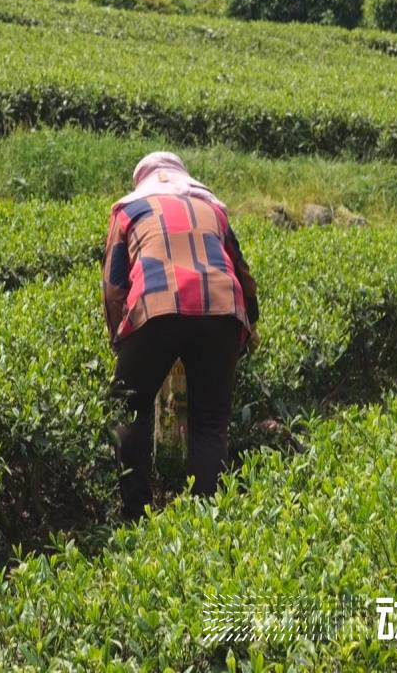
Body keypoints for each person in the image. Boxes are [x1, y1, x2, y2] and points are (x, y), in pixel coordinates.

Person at [102, 152, 260, 521]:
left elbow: (113, 287)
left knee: (129, 407)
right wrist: (249, 325)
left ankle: (135, 514)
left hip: (157, 305)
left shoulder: (127, 211)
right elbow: (242, 271)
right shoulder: (212, 209)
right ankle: (208, 520)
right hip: (222, 309)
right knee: (209, 421)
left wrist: (120, 340)